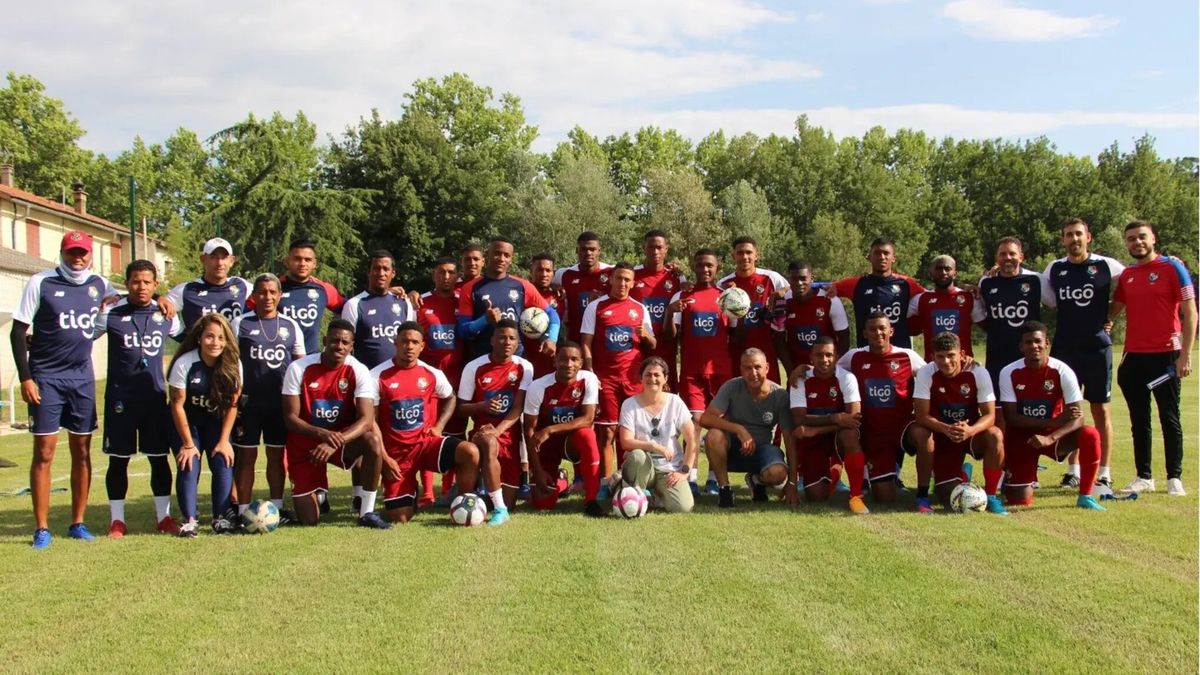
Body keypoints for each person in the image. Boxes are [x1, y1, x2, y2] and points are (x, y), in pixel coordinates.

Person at [11, 230, 116, 548]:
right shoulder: (41, 282)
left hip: (82, 379)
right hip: (46, 379)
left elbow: (119, 306)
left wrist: (163, 302)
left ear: (90, 254)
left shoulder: (99, 285)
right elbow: (17, 332)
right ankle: (42, 528)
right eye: (72, 252)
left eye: (82, 251)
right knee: (44, 452)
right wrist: (26, 377)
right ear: (62, 253)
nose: (78, 257)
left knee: (82, 451)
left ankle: (78, 523)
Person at [96, 260, 185, 537]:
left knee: (159, 459)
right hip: (120, 400)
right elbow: (80, 338)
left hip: (155, 399)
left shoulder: (166, 315)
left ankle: (164, 517)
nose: (141, 286)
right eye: (135, 281)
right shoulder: (110, 314)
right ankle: (117, 521)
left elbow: (189, 342)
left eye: (147, 282)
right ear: (128, 283)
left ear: (156, 284)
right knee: (118, 460)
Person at [1109, 220, 1196, 496]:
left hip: (1165, 356)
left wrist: (1185, 355)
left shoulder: (1172, 267)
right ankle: (1144, 476)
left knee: (1169, 417)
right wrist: (1104, 322)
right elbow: (1115, 308)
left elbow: (1191, 313)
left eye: (1141, 237)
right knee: (1139, 419)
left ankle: (1174, 478)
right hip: (1134, 357)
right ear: (1126, 243)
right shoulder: (1127, 275)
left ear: (1153, 238)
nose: (1137, 242)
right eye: (1131, 239)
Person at [281, 319, 391, 528]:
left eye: (345, 342)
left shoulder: (358, 370)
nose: (339, 346)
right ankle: (318, 495)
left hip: (339, 442)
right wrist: (323, 435)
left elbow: (367, 419)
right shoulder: (298, 368)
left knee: (372, 440)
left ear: (351, 346)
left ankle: (366, 511)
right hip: (305, 446)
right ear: (325, 340)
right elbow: (290, 419)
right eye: (334, 340)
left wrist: (334, 441)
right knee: (309, 520)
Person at [1042, 219, 1125, 489]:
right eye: (1069, 235)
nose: (1074, 239)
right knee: (1071, 410)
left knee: (1100, 409)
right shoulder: (1054, 269)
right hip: (1066, 348)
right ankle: (1073, 470)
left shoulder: (1107, 265)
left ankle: (1104, 472)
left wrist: (1110, 316)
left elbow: (1129, 286)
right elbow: (1049, 300)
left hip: (1097, 348)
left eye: (1079, 234)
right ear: (1062, 239)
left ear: (1089, 237)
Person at [372, 322, 482, 523]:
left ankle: (462, 506)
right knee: (400, 517)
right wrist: (385, 458)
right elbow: (371, 422)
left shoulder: (431, 374)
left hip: (426, 444)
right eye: (404, 341)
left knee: (470, 452)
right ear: (395, 342)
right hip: (397, 454)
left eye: (415, 342)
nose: (409, 346)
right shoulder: (377, 375)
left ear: (422, 346)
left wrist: (439, 426)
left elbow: (450, 397)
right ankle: (409, 492)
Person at [997, 322, 1105, 511]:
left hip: (1055, 435)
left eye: (1038, 341)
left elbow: (1078, 417)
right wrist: (1053, 421)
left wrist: (1050, 436)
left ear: (1047, 343)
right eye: (1028, 342)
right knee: (1019, 500)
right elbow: (1012, 418)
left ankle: (1086, 496)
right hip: (1022, 437)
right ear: (1021, 346)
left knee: (1090, 434)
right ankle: (1015, 478)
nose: (1034, 346)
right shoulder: (1009, 372)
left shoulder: (1062, 370)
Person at [230, 273, 305, 521]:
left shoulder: (291, 325)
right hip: (248, 403)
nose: (268, 297)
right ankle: (242, 510)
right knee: (246, 457)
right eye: (262, 292)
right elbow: (230, 362)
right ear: (254, 296)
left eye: (272, 292)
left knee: (276, 456)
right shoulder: (240, 323)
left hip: (279, 404)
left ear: (280, 295)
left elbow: (299, 366)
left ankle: (277, 506)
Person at [836, 312, 928, 504]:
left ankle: (922, 494)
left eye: (882, 328)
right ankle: (872, 473)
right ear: (865, 333)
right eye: (872, 329)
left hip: (901, 428)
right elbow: (829, 370)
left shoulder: (907, 356)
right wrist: (803, 369)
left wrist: (965, 364)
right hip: (873, 434)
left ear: (891, 331)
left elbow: (933, 375)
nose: (878, 333)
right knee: (885, 498)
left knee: (924, 434)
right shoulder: (854, 356)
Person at [910, 332, 1006, 514]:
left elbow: (990, 415)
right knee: (947, 497)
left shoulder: (978, 372)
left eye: (951, 355)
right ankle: (926, 493)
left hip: (969, 434)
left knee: (995, 434)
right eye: (940, 356)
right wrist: (947, 429)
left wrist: (970, 430)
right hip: (940, 435)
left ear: (961, 354)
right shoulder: (926, 373)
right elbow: (921, 416)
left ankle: (992, 496)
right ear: (933, 357)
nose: (946, 361)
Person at [665, 248, 736, 495]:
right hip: (692, 372)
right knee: (693, 423)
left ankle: (715, 478)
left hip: (721, 372)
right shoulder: (683, 295)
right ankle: (691, 477)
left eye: (710, 265)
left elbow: (736, 334)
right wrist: (670, 312)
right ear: (694, 267)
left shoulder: (728, 297)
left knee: (719, 425)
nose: (705, 269)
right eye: (700, 265)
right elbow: (672, 335)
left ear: (717, 268)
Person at [580, 262, 656, 491]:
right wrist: (591, 372)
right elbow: (586, 342)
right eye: (618, 278)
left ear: (633, 283)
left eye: (627, 280)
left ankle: (629, 481)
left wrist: (646, 336)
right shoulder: (596, 307)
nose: (622, 283)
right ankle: (605, 483)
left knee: (632, 431)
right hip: (607, 380)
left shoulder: (639, 309)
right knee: (608, 432)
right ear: (610, 280)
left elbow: (653, 344)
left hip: (632, 380)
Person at [167, 314, 243, 537]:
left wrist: (224, 441)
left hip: (216, 423)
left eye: (221, 337)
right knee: (189, 463)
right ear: (200, 338)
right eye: (210, 336)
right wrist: (188, 444)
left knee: (223, 461)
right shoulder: (185, 363)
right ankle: (190, 520)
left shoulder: (233, 364)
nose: (215, 342)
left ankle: (220, 518)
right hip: (187, 424)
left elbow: (233, 405)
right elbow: (177, 405)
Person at [458, 319, 535, 526]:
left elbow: (518, 407)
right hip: (480, 433)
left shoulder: (524, 367)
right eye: (502, 337)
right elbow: (461, 407)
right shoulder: (474, 367)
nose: (507, 342)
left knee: (510, 501)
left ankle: (495, 499)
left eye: (512, 338)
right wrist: (482, 406)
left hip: (508, 435)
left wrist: (498, 430)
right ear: (492, 340)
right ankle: (496, 508)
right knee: (489, 443)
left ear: (518, 342)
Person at [699, 348, 796, 508]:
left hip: (761, 451)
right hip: (731, 450)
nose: (753, 373)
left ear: (767, 368)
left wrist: (792, 482)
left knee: (778, 473)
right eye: (747, 368)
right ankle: (725, 490)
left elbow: (789, 439)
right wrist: (738, 429)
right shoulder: (731, 387)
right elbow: (706, 418)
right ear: (741, 369)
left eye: (757, 367)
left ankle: (756, 480)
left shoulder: (780, 395)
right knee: (713, 435)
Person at [787, 337, 867, 513]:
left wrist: (816, 429)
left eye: (829, 355)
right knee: (817, 497)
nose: (824, 360)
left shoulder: (847, 378)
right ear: (811, 357)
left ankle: (855, 496)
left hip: (836, 438)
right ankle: (834, 473)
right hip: (813, 443)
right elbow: (799, 419)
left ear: (836, 357)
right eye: (819, 355)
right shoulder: (800, 379)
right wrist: (836, 418)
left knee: (850, 434)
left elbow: (853, 420)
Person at [523, 342, 604, 516]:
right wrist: (537, 470)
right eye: (563, 359)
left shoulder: (588, 379)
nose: (569, 364)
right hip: (547, 446)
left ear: (581, 363)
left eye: (574, 359)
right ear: (555, 362)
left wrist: (550, 429)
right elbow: (529, 430)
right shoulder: (538, 387)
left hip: (572, 442)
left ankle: (591, 500)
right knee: (544, 504)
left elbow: (588, 419)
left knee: (588, 435)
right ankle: (561, 482)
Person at [457, 236, 560, 360]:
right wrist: (484, 320)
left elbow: (552, 314)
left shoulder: (523, 286)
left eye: (506, 255)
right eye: (497, 253)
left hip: (516, 360)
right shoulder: (470, 288)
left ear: (511, 259)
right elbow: (462, 331)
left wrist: (551, 339)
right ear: (487, 255)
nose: (501, 259)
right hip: (482, 359)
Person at [415, 257, 467, 505]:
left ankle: (450, 489)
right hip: (427, 383)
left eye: (451, 272)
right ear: (434, 274)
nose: (447, 277)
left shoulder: (464, 301)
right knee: (427, 434)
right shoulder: (420, 302)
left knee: (455, 434)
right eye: (441, 272)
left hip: (457, 380)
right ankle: (426, 492)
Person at [617, 357, 698, 513]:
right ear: (641, 378)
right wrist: (653, 446)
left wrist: (684, 471)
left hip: (668, 468)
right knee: (638, 455)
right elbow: (626, 442)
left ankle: (655, 495)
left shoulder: (675, 402)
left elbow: (691, 439)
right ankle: (632, 492)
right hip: (642, 466)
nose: (652, 379)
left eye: (657, 375)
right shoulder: (629, 404)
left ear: (665, 378)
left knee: (683, 507)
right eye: (647, 374)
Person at [975, 237, 1053, 392]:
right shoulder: (986, 282)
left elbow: (1055, 302)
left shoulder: (1035, 280)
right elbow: (979, 313)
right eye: (1003, 254)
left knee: (1033, 402)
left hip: (1028, 355)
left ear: (1021, 257)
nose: (1008, 258)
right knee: (999, 407)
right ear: (997, 258)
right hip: (997, 356)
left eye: (1012, 253)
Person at [827, 237, 925, 349]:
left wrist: (917, 327)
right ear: (869, 257)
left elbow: (929, 301)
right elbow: (827, 289)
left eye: (886, 253)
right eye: (877, 253)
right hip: (866, 354)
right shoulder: (856, 284)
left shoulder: (907, 284)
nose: (882, 257)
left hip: (899, 354)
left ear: (893, 258)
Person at [718, 236, 788, 383]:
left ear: (757, 254)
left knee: (769, 398)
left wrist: (784, 290)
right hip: (737, 353)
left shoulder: (771, 278)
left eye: (749, 252)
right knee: (739, 401)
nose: (745, 257)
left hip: (766, 352)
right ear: (733, 256)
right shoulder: (723, 285)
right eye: (740, 253)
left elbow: (797, 288)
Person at [341, 249, 417, 370]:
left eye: (386, 269)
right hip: (368, 377)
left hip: (398, 376)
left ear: (393, 273)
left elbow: (412, 340)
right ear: (368, 272)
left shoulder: (404, 303)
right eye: (376, 268)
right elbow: (344, 347)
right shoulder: (354, 304)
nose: (381, 273)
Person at [631, 229, 687, 390]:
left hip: (667, 347)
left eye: (659, 247)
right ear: (643, 248)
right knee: (639, 395)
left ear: (666, 249)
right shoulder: (633, 275)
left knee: (666, 395)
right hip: (638, 348)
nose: (655, 251)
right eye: (651, 247)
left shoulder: (677, 277)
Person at [777, 260, 849, 377]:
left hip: (827, 372)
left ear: (812, 278)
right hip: (798, 373)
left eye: (803, 278)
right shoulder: (782, 301)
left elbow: (844, 337)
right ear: (789, 279)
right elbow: (779, 341)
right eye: (794, 279)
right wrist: (791, 372)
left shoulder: (829, 300)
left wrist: (833, 367)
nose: (799, 283)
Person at [275, 237, 346, 354]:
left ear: (314, 263)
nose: (302, 264)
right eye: (297, 259)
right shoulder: (273, 288)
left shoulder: (323, 289)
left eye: (307, 260)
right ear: (287, 261)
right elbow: (248, 311)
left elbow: (351, 308)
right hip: (280, 359)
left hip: (310, 360)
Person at [165, 237, 252, 328]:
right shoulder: (186, 290)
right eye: (213, 257)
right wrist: (182, 336)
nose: (220, 263)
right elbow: (159, 308)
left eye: (224, 257)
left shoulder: (241, 285)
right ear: (203, 259)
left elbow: (265, 293)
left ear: (231, 261)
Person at [907, 255, 978, 362]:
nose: (943, 272)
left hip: (963, 364)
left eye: (947, 269)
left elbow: (987, 325)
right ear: (931, 273)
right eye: (939, 269)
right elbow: (903, 325)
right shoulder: (920, 299)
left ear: (955, 273)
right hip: (933, 365)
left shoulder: (969, 297)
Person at [554, 231, 613, 344]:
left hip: (605, 339)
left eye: (592, 249)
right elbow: (543, 284)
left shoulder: (611, 272)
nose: (588, 253)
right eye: (584, 249)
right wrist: (553, 286)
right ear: (577, 251)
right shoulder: (564, 274)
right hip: (575, 338)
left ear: (599, 251)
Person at [524, 252, 564, 378]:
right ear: (531, 271)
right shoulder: (522, 293)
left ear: (554, 273)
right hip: (526, 357)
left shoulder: (560, 294)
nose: (544, 274)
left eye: (548, 270)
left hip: (552, 359)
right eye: (539, 270)